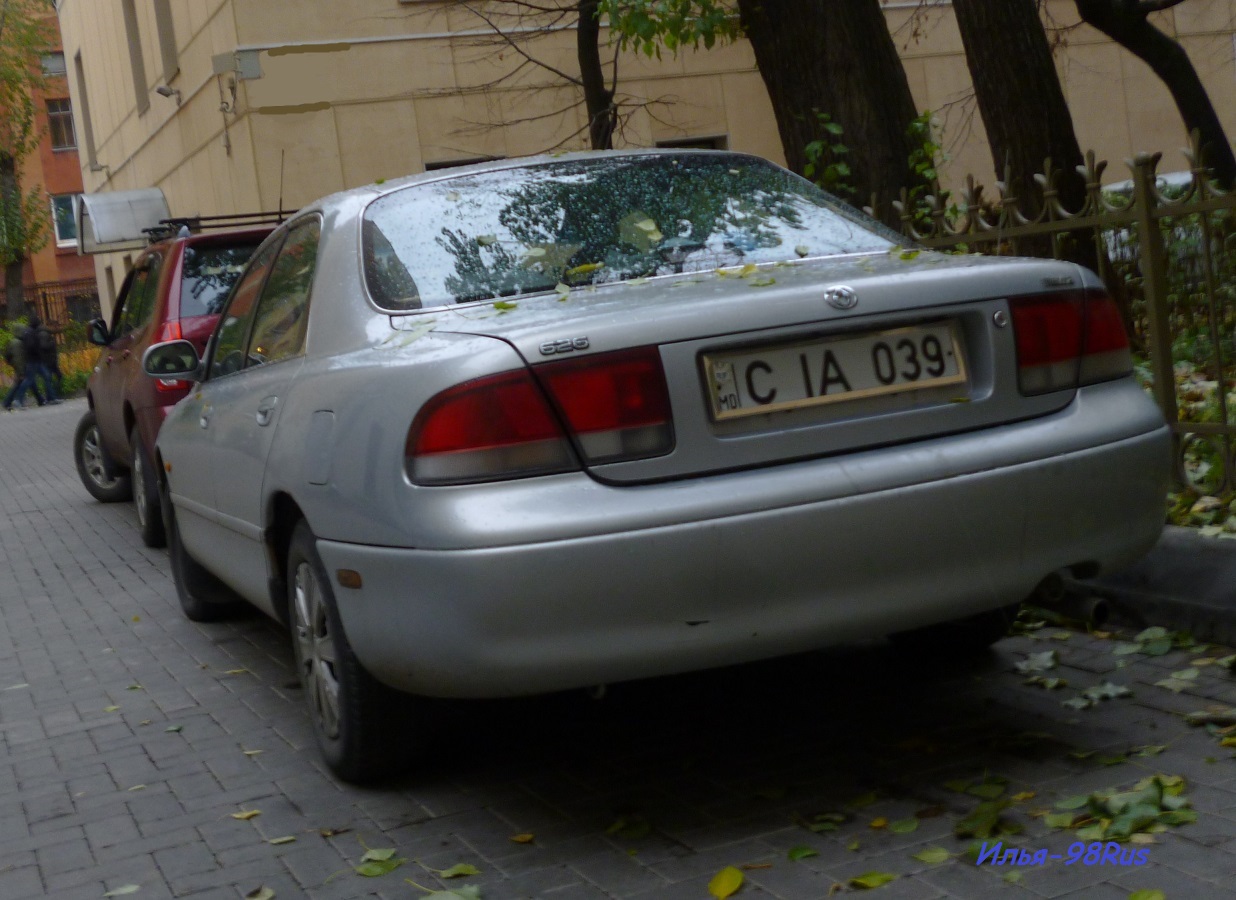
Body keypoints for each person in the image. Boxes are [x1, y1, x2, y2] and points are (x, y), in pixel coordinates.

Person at [2, 323, 46, 410]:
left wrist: (12, 364)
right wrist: (21, 371)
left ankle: (40, 400)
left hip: (20, 366)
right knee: (22, 383)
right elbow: (19, 359)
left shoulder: (13, 342)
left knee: (29, 383)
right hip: (22, 367)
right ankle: (9, 402)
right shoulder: (18, 343)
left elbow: (7, 356)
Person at [21, 315, 59, 405]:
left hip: (35, 359)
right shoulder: (32, 332)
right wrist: (50, 345)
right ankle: (19, 400)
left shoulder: (30, 332)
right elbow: (34, 346)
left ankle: (49, 398)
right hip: (34, 360)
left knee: (44, 377)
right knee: (30, 380)